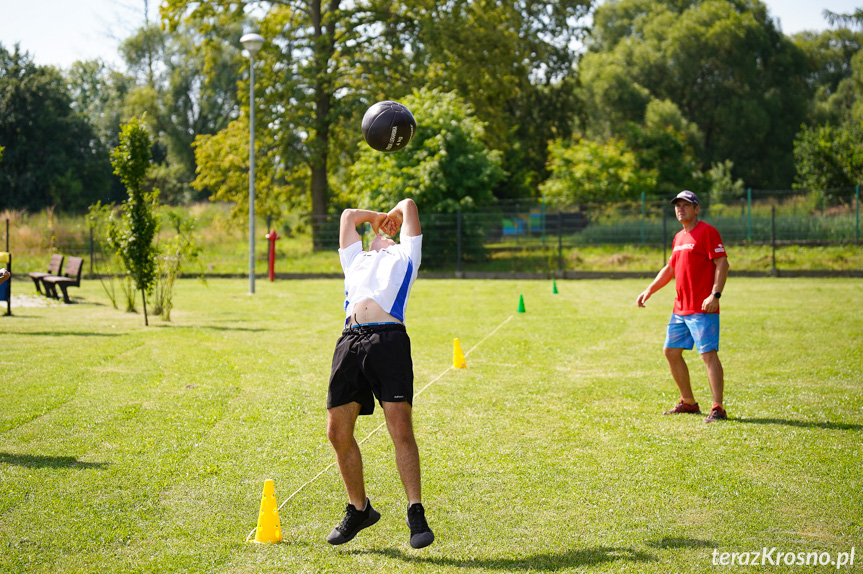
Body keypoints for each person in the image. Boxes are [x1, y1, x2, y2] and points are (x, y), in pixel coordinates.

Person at [325, 198, 434, 549]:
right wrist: (376, 219)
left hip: (388, 341)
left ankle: (415, 511)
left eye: (392, 231)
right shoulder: (356, 258)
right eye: (381, 233)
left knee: (400, 426)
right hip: (349, 341)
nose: (386, 233)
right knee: (337, 432)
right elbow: (347, 217)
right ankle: (359, 509)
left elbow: (409, 205)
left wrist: (394, 217)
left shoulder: (406, 256)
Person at [636, 190, 730, 423]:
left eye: (686, 205)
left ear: (697, 209)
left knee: (708, 355)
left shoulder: (707, 232)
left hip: (702, 308)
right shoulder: (678, 237)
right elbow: (670, 269)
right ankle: (688, 402)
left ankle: (718, 407)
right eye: (677, 205)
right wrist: (649, 290)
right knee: (671, 352)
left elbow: (722, 263)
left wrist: (715, 295)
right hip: (680, 309)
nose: (681, 209)